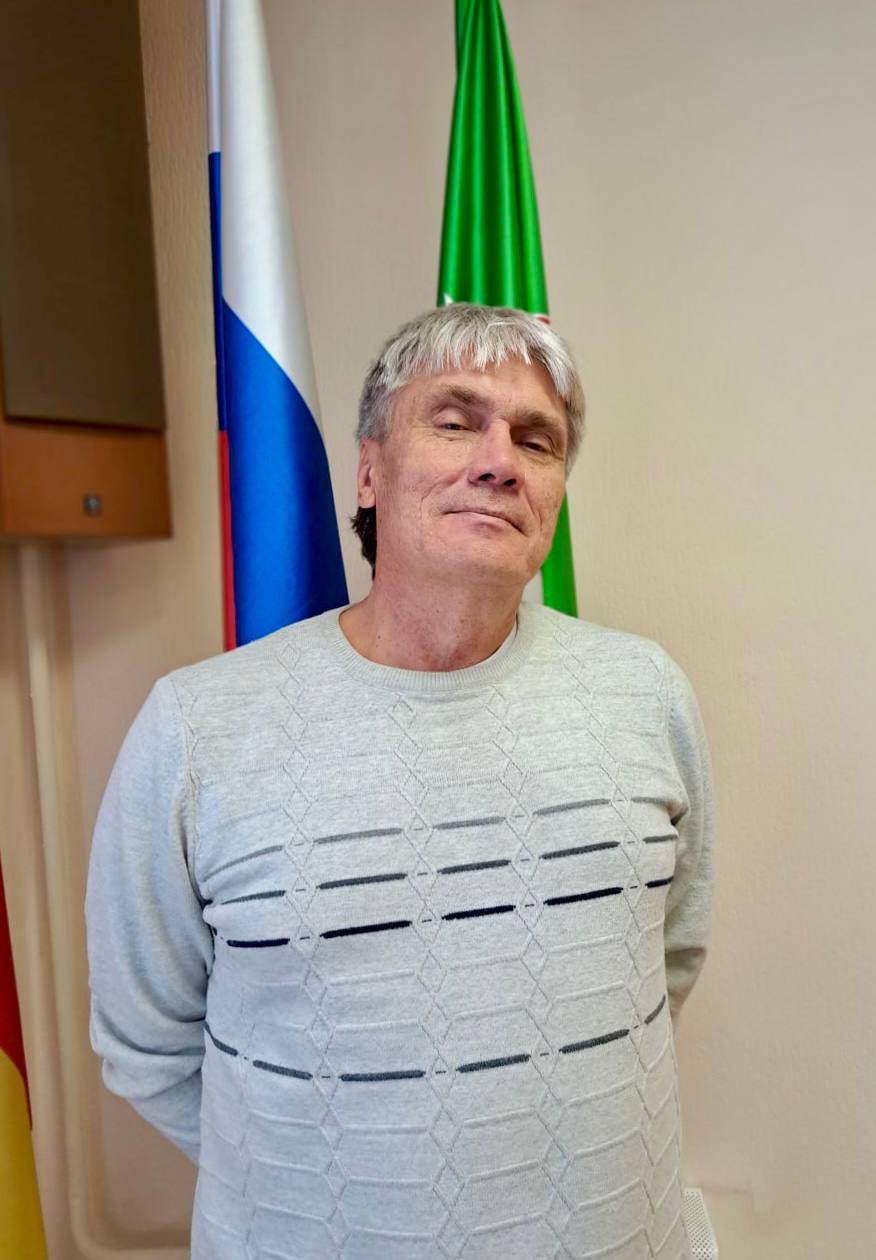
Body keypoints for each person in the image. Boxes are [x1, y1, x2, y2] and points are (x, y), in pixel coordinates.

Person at [86, 303, 714, 1260]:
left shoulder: (646, 693)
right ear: (370, 471)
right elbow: (146, 1038)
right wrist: (326, 1176)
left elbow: (665, 958)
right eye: (456, 422)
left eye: (536, 440)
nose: (500, 461)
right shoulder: (198, 728)